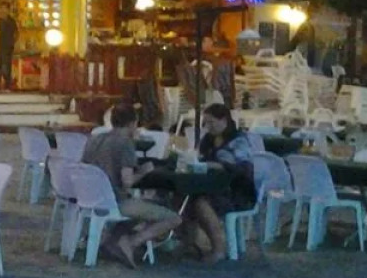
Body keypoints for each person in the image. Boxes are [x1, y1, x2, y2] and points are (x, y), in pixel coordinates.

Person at [81, 102, 181, 267]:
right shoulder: (125, 143)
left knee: (145, 207)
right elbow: (127, 182)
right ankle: (132, 242)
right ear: (133, 123)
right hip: (115, 201)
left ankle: (112, 241)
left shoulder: (94, 139)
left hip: (89, 197)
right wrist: (144, 171)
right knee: (173, 218)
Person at [185, 103, 257, 262]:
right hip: (213, 186)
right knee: (185, 197)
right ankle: (188, 242)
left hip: (237, 191)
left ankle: (219, 248)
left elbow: (243, 169)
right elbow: (201, 158)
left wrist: (217, 165)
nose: (207, 126)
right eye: (206, 123)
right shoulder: (209, 139)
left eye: (211, 122)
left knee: (201, 202)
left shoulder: (239, 140)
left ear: (224, 120)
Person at [0, 3, 18, 91]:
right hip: (0, 46)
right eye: (2, 8)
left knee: (6, 66)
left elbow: (16, 34)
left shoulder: (11, 21)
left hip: (8, 47)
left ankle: (7, 86)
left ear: (8, 10)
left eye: (5, 9)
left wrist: (13, 43)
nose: (3, 11)